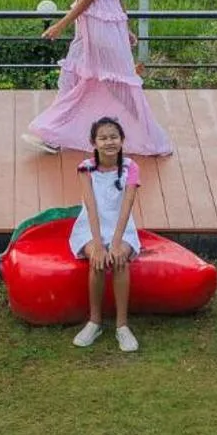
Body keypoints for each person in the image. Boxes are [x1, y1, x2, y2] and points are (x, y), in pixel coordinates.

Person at [23, 0, 172, 156]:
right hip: (96, 30)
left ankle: (146, 135)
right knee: (94, 81)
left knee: (95, 82)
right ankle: (53, 133)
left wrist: (60, 25)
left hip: (97, 32)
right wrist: (125, 29)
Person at [69, 116, 142, 351]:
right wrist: (99, 245)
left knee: (120, 260)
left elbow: (127, 206)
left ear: (121, 140)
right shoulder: (85, 168)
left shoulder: (131, 167)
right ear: (94, 142)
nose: (109, 142)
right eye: (103, 138)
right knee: (97, 261)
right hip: (91, 226)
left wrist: (118, 242)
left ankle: (122, 326)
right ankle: (95, 321)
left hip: (121, 226)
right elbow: (91, 207)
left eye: (114, 137)